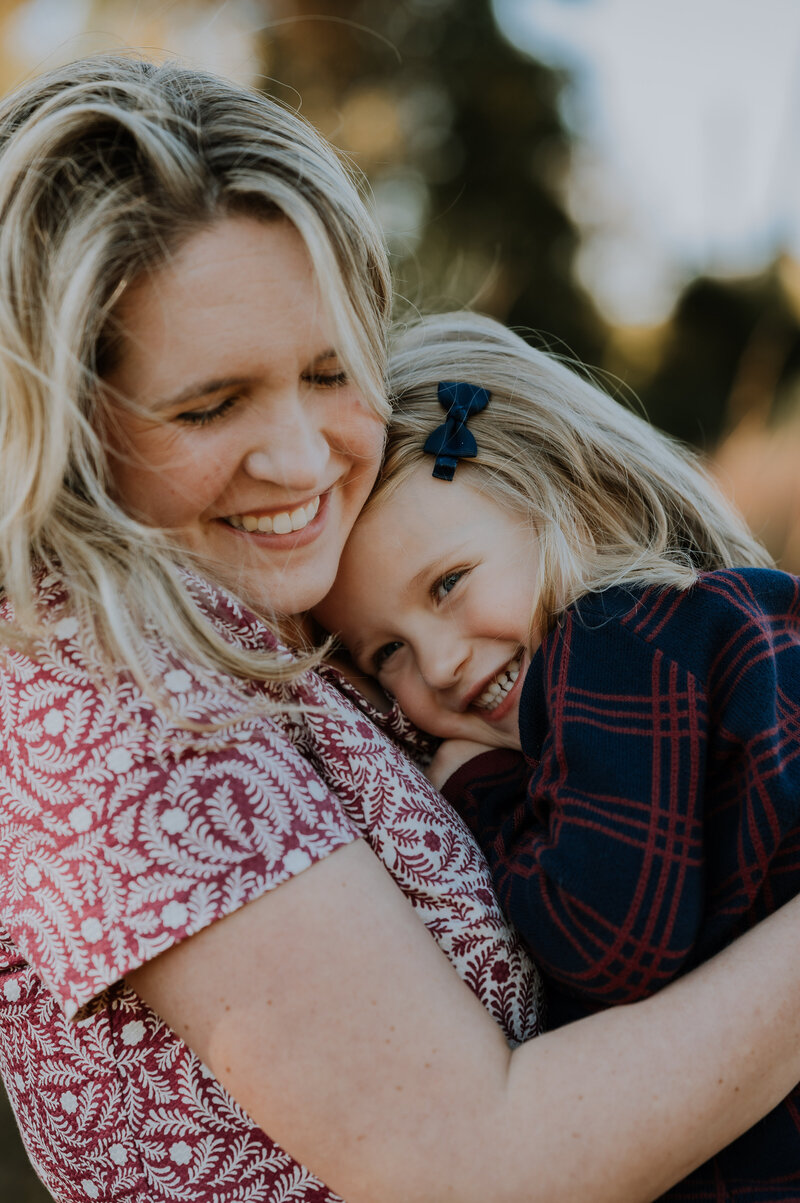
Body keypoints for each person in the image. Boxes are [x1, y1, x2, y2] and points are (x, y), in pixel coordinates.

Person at [0, 55, 799, 1203]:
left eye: (331, 373)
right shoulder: (102, 701)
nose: (300, 460)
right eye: (211, 404)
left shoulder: (263, 613)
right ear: (63, 415)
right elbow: (478, 1170)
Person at [316, 310, 800, 1197]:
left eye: (450, 583)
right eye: (387, 651)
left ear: (576, 498)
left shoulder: (611, 643)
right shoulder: (707, 626)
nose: (442, 661)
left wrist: (479, 789)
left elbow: (606, 943)